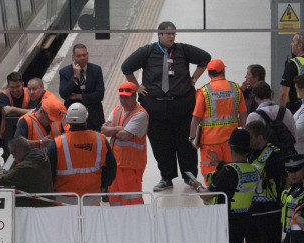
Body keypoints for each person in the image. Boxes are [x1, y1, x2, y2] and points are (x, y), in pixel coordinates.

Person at [121, 21, 211, 191]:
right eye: (168, 34)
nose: (171, 37)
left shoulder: (182, 50)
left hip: (182, 106)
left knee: (186, 143)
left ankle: (190, 177)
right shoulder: (147, 52)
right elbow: (126, 67)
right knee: (161, 144)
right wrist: (137, 86)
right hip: (156, 108)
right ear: (159, 35)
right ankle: (166, 177)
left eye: (173, 34)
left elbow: (205, 58)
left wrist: (194, 79)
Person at [189, 129, 260, 243]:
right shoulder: (251, 169)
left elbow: (207, 196)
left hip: (226, 222)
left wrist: (197, 186)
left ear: (231, 148)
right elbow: (235, 176)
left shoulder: (228, 172)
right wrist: (219, 164)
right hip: (244, 219)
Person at [244, 120, 286, 243]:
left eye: (250, 137)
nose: (248, 141)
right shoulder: (250, 152)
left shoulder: (274, 154)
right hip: (252, 210)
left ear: (260, 137)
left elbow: (274, 176)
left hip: (270, 211)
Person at [190, 59, 246, 178]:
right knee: (232, 171)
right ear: (223, 71)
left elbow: (196, 117)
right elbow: (243, 114)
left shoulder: (204, 91)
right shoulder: (235, 88)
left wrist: (192, 137)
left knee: (211, 173)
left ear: (209, 73)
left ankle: (212, 195)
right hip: (232, 140)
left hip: (210, 141)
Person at [48, 103, 116, 199]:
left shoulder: (56, 144)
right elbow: (111, 167)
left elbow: (49, 173)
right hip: (92, 196)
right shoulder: (100, 140)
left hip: (64, 199)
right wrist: (103, 185)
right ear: (86, 119)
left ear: (68, 121)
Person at [102, 82, 149, 205]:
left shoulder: (140, 115)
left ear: (134, 96)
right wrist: (120, 128)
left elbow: (125, 136)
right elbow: (104, 131)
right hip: (115, 164)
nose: (123, 100)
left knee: (132, 200)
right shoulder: (117, 110)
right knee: (115, 199)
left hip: (131, 166)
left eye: (126, 97)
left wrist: (115, 130)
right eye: (121, 97)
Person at [58, 44, 105, 131]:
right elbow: (64, 94)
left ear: (88, 54)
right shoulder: (64, 72)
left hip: (94, 118)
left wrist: (80, 96)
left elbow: (100, 95)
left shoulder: (96, 70)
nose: (82, 58)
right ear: (73, 57)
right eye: (79, 56)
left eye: (84, 55)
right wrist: (75, 76)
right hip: (74, 120)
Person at [0, 136, 54, 207]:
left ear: (17, 151)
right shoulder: (41, 156)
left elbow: (4, 180)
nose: (13, 157)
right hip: (46, 201)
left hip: (36, 205)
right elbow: (16, 172)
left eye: (13, 154)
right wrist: (4, 172)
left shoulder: (25, 167)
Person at [245, 81, 297, 151]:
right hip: (287, 156)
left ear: (255, 98)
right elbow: (294, 135)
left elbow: (249, 141)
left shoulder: (253, 116)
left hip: (265, 158)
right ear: (271, 94)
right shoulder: (286, 111)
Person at [0, 72, 33, 158]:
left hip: (28, 133)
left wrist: (13, 109)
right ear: (8, 86)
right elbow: (6, 112)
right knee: (9, 158)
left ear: (22, 84)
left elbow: (34, 112)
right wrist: (27, 111)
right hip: (8, 134)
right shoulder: (4, 95)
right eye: (12, 87)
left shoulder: (29, 93)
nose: (15, 90)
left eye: (17, 87)